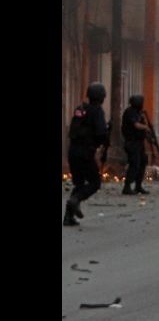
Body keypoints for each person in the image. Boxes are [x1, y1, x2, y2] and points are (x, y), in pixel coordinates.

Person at [64, 82, 109, 226]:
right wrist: (106, 138)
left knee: (79, 184)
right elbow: (101, 133)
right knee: (95, 182)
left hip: (73, 151)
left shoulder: (80, 109)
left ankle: (68, 217)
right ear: (101, 97)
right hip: (85, 152)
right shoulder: (97, 111)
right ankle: (76, 200)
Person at [121, 95, 151, 195]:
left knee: (142, 163)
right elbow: (136, 125)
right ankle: (127, 186)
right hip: (131, 142)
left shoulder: (139, 113)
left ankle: (138, 186)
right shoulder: (130, 112)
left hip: (139, 142)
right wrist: (145, 127)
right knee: (134, 164)